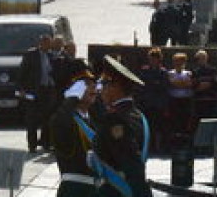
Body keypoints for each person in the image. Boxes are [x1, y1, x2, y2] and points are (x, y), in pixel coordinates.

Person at [91, 56, 150, 197]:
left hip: (117, 191)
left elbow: (131, 163)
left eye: (103, 83)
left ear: (115, 86)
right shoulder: (138, 115)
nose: (100, 89)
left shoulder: (115, 119)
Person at [49, 64, 98, 196]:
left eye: (94, 83)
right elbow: (61, 124)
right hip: (74, 190)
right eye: (86, 84)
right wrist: (71, 99)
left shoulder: (93, 120)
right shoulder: (63, 119)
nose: (93, 87)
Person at [19, 34, 58, 152]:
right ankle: (32, 145)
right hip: (33, 91)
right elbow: (22, 72)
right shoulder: (31, 55)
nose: (48, 45)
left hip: (48, 90)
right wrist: (21, 88)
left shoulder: (51, 56)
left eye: (49, 43)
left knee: (47, 118)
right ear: (40, 43)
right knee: (32, 119)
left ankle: (45, 143)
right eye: (45, 43)